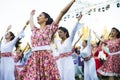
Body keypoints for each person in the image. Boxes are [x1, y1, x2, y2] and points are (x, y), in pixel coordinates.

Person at [20, 0, 76, 80]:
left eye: (40, 16)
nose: (38, 17)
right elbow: (31, 23)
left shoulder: (50, 28)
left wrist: (73, 1)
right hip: (35, 58)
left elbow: (62, 12)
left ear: (46, 19)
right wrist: (31, 15)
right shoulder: (35, 30)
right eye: (38, 16)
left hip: (46, 57)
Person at [53, 14, 83, 80]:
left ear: (65, 33)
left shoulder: (69, 40)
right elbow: (51, 36)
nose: (59, 34)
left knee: (68, 77)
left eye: (60, 32)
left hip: (68, 62)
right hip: (60, 63)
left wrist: (77, 20)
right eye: (58, 33)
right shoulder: (57, 41)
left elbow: (73, 31)